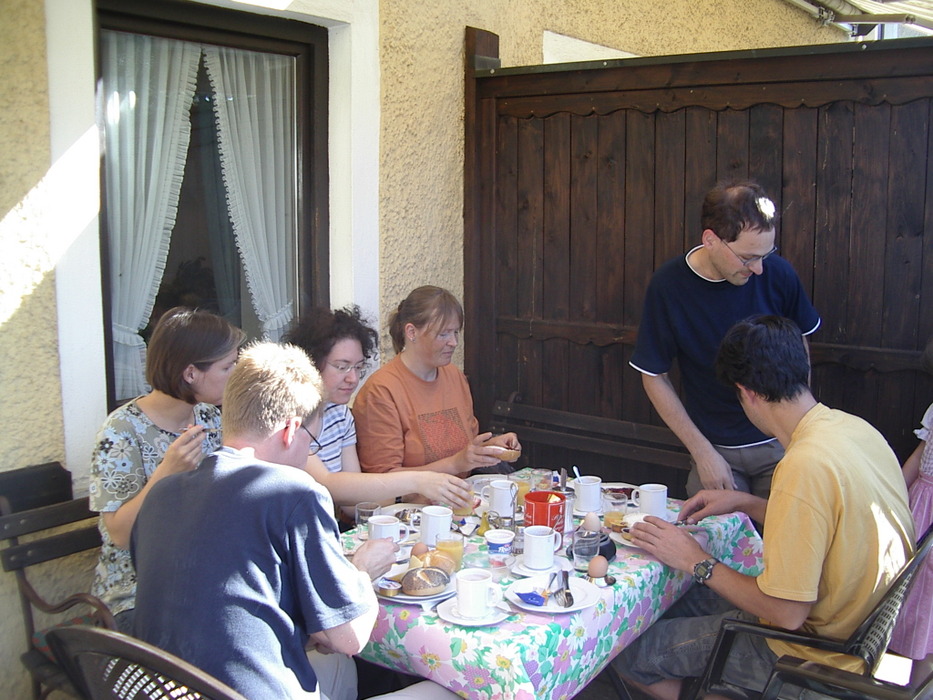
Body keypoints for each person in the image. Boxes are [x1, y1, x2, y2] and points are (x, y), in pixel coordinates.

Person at [613, 315, 913, 700]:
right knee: (685, 598)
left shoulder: (804, 464)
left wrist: (695, 560)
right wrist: (746, 502)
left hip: (807, 654)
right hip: (854, 630)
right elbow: (829, 526)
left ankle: (714, 692)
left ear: (747, 391)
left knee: (626, 647)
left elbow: (788, 614)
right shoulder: (853, 429)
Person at [130, 341, 400, 699]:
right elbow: (349, 637)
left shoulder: (160, 495)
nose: (309, 454)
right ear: (290, 431)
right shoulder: (294, 493)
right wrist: (362, 570)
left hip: (167, 690)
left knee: (336, 668)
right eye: (312, 441)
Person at [630, 181, 820, 498]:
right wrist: (701, 451)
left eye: (766, 254)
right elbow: (653, 374)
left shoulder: (778, 272)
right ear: (711, 240)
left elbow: (800, 349)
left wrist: (799, 435)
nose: (759, 269)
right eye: (747, 257)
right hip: (714, 449)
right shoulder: (669, 285)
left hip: (782, 444)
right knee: (710, 540)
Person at [89, 306, 245, 633]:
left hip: (203, 576)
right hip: (138, 593)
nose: (235, 374)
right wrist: (165, 474)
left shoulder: (211, 418)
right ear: (190, 373)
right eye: (227, 366)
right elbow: (118, 534)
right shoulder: (121, 431)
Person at [283, 306, 472, 516]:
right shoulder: (290, 417)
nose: (353, 379)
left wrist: (413, 501)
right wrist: (418, 481)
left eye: (358, 367)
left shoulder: (341, 415)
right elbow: (327, 483)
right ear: (311, 363)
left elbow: (353, 502)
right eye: (341, 366)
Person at [354, 286, 521, 486]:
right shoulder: (381, 391)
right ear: (411, 332)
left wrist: (490, 448)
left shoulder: (454, 376)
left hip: (460, 500)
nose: (454, 342)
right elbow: (383, 481)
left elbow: (464, 449)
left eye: (456, 332)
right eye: (443, 334)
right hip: (411, 510)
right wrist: (455, 464)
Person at [889, 336, 933, 681]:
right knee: (912, 597)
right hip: (921, 509)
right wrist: (892, 495)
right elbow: (918, 459)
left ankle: (921, 682)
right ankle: (905, 681)